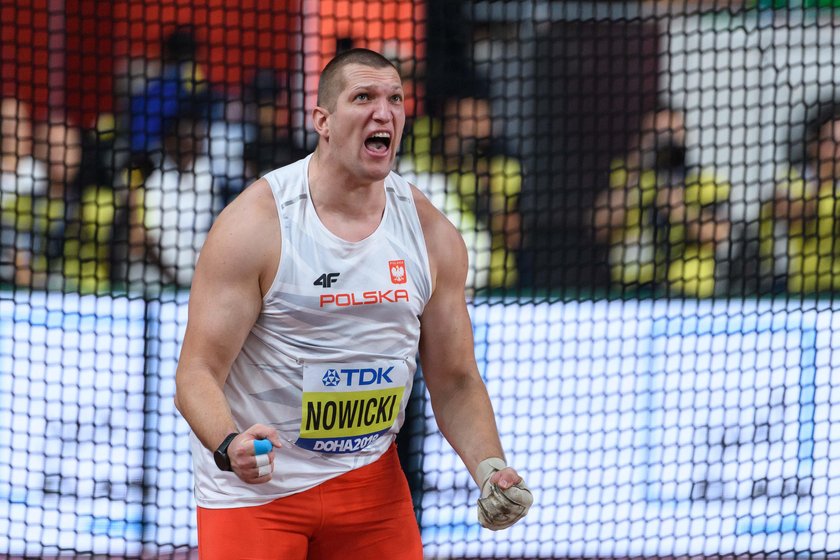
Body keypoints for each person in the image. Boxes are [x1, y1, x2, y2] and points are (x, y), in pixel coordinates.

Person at [174, 48, 532, 558]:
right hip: (258, 494)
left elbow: (455, 380)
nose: (383, 113)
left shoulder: (430, 233)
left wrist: (490, 469)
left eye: (395, 99)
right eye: (363, 97)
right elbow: (196, 374)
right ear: (322, 120)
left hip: (370, 486)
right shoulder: (256, 224)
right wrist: (229, 445)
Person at [592, 108, 731, 298]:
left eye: (672, 134)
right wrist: (635, 171)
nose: (666, 142)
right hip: (633, 291)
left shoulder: (705, 183)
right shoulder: (628, 177)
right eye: (658, 135)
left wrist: (682, 212)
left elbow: (719, 235)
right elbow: (599, 225)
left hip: (688, 293)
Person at [398, 89, 522, 291]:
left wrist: (488, 197)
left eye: (474, 122)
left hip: (492, 283)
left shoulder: (504, 168)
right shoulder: (422, 149)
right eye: (459, 121)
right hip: (431, 280)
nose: (466, 130)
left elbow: (514, 236)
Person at [770, 104, 840, 293]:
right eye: (833, 143)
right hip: (798, 291)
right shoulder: (792, 180)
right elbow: (793, 217)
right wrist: (824, 181)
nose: (838, 153)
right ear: (814, 144)